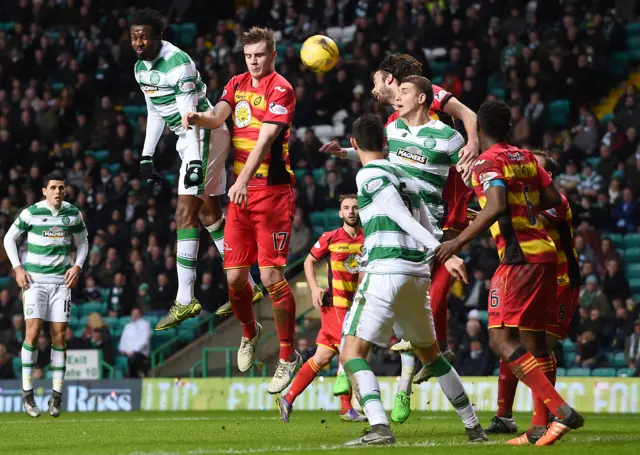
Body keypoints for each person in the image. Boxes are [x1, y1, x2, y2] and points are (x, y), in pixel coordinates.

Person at [320, 54, 477, 409]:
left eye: (404, 91)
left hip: (428, 226)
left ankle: (369, 366)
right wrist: (344, 153)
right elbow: (375, 154)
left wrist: (473, 161)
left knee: (397, 288)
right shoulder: (392, 129)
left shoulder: (447, 137)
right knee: (401, 296)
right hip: (397, 224)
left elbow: (470, 165)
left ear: (421, 96)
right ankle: (409, 373)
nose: (397, 97)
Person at [436, 100, 584, 446]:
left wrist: (457, 243)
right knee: (534, 341)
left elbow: (497, 205)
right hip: (545, 254)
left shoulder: (488, 161)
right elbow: (552, 198)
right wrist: (522, 206)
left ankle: (560, 409)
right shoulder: (526, 157)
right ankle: (537, 426)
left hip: (519, 259)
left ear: (480, 130)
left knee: (501, 340)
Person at [340, 114, 485, 445]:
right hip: (416, 274)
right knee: (431, 355)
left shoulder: (370, 174)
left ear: (354, 144)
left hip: (384, 271)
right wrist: (436, 254)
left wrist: (444, 253)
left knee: (351, 353)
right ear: (386, 144)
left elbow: (400, 216)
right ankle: (473, 426)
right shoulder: (408, 178)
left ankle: (379, 426)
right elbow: (426, 224)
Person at [183, 27, 300, 394]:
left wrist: (242, 181)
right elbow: (219, 117)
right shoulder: (236, 83)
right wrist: (198, 118)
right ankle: (250, 332)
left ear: (273, 55)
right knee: (235, 280)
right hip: (241, 195)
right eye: (249, 55)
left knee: (270, 277)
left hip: (273, 193)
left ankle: (287, 356)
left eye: (260, 54)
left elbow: (265, 141)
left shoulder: (281, 89)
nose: (253, 60)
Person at [130, 8, 262, 331]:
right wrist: (147, 155)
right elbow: (156, 110)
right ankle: (249, 287)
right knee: (208, 217)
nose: (138, 42)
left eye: (143, 36)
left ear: (158, 36)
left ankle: (185, 298)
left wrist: (193, 164)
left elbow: (191, 117)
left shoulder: (180, 64)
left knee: (184, 214)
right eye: (134, 37)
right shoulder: (140, 69)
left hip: (203, 136)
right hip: (189, 141)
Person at [487, 149, 581, 441]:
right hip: (539, 278)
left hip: (563, 281)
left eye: (533, 169)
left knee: (539, 346)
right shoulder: (528, 201)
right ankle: (512, 417)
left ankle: (546, 417)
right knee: (512, 344)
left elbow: (525, 212)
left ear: (547, 177)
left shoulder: (556, 202)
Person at [2, 172, 89, 418]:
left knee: (59, 336)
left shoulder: (72, 213)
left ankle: (56, 397)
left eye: (61, 187)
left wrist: (77, 266)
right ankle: (28, 394)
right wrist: (18, 267)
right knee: (32, 330)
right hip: (35, 282)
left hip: (61, 282)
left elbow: (83, 242)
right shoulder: (32, 212)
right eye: (53, 188)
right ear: (44, 191)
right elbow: (9, 238)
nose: (58, 191)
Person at [278, 194, 366, 423]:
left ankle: (288, 398)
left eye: (355, 207)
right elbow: (308, 261)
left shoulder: (368, 239)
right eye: (346, 208)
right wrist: (315, 288)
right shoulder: (330, 237)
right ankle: (347, 408)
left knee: (322, 356)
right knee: (350, 350)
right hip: (335, 304)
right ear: (340, 213)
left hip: (356, 305)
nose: (351, 211)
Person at [118, 308, 151, 378]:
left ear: (140, 315)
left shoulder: (145, 324)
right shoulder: (128, 326)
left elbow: (144, 340)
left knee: (134, 358)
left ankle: (132, 377)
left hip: (141, 353)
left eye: (136, 314)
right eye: (133, 314)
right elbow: (123, 339)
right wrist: (123, 350)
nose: (134, 315)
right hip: (127, 353)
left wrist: (134, 351)